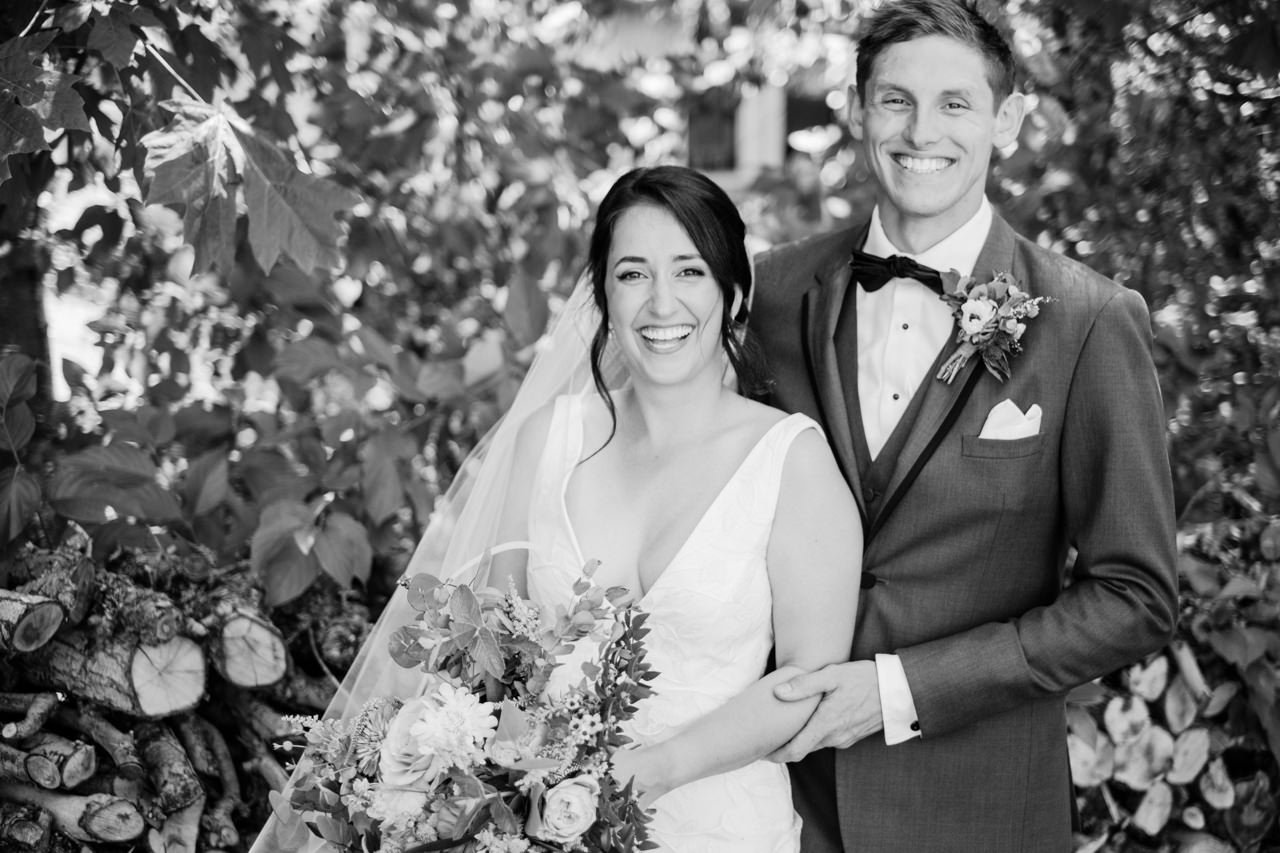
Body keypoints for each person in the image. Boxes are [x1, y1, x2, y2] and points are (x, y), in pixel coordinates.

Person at [250, 165, 863, 853]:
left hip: (722, 827)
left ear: (732, 291)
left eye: (689, 271)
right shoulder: (551, 439)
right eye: (633, 274)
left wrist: (651, 771)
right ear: (602, 293)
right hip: (538, 827)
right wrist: (512, 783)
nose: (663, 303)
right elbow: (486, 649)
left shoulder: (791, 460)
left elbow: (808, 684)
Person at [749, 1, 1179, 851]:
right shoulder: (769, 295)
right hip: (777, 801)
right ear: (859, 110)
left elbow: (1136, 595)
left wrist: (900, 687)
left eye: (955, 103)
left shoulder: (1089, 321)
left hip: (980, 811)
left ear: (1007, 120)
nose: (921, 130)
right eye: (895, 99)